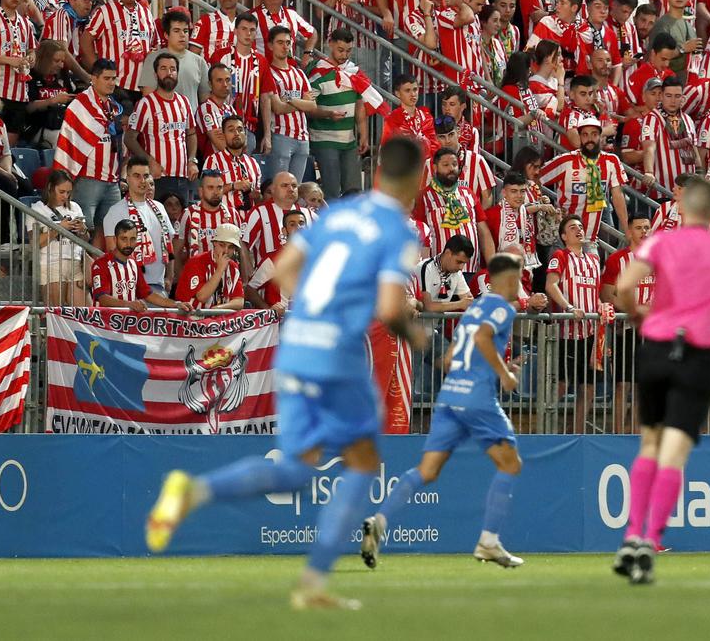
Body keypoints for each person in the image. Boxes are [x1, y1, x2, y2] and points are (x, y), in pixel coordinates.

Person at [146, 136, 430, 611]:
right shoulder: (397, 230)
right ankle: (313, 582)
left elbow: (285, 269)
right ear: (416, 180)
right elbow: (388, 306)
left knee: (297, 468)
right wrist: (414, 334)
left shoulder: (337, 214)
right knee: (363, 462)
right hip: (336, 354)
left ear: (378, 173)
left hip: (298, 346)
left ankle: (192, 490)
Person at [610, 175, 710, 586]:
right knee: (673, 453)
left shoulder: (660, 241)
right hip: (697, 353)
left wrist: (641, 314)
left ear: (681, 208)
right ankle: (650, 539)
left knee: (649, 443)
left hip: (656, 347)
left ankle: (629, 535)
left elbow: (624, 285)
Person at [360, 251, 529, 570]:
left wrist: (491, 364)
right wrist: (504, 374)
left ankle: (379, 520)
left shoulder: (476, 306)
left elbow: (452, 357)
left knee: (427, 470)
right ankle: (489, 541)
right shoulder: (502, 308)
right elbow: (482, 339)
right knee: (510, 463)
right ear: (508, 278)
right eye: (518, 276)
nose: (519, 283)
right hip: (477, 396)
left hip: (451, 394)